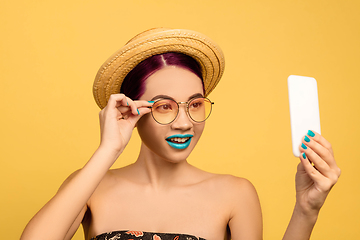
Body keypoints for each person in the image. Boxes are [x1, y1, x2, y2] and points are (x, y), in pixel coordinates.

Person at [21, 28, 340, 240]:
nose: (185, 122)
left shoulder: (235, 193)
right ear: (132, 110)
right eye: (164, 107)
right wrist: (108, 150)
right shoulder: (90, 186)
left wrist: (306, 211)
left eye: (195, 104)